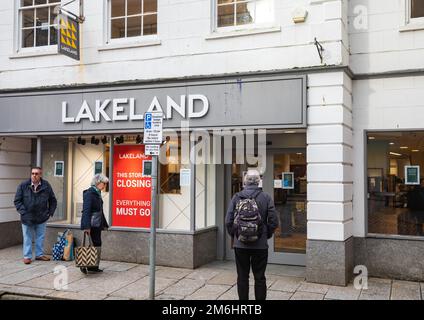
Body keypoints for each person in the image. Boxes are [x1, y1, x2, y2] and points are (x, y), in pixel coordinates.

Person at [225, 169, 279, 300]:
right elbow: (273, 221)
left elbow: (228, 221)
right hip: (260, 245)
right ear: (258, 181)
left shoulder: (236, 197)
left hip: (240, 245)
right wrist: (266, 234)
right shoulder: (266, 197)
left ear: (245, 181)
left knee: (242, 276)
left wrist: (236, 235)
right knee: (259, 277)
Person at [14, 166, 57, 264]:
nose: (34, 175)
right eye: (33, 173)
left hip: (41, 217)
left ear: (40, 175)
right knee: (27, 237)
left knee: (40, 237)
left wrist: (50, 212)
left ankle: (39, 255)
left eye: (36, 174)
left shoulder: (46, 186)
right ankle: (27, 256)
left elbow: (53, 200)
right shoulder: (23, 185)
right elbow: (17, 201)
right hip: (27, 217)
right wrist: (23, 212)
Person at [80, 173, 109, 274]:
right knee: (94, 244)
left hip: (97, 223)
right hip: (92, 224)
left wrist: (104, 224)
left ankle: (93, 266)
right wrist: (86, 226)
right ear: (98, 182)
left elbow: (99, 210)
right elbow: (86, 210)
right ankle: (85, 264)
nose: (105, 186)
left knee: (96, 243)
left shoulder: (97, 192)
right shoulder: (90, 193)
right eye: (104, 183)